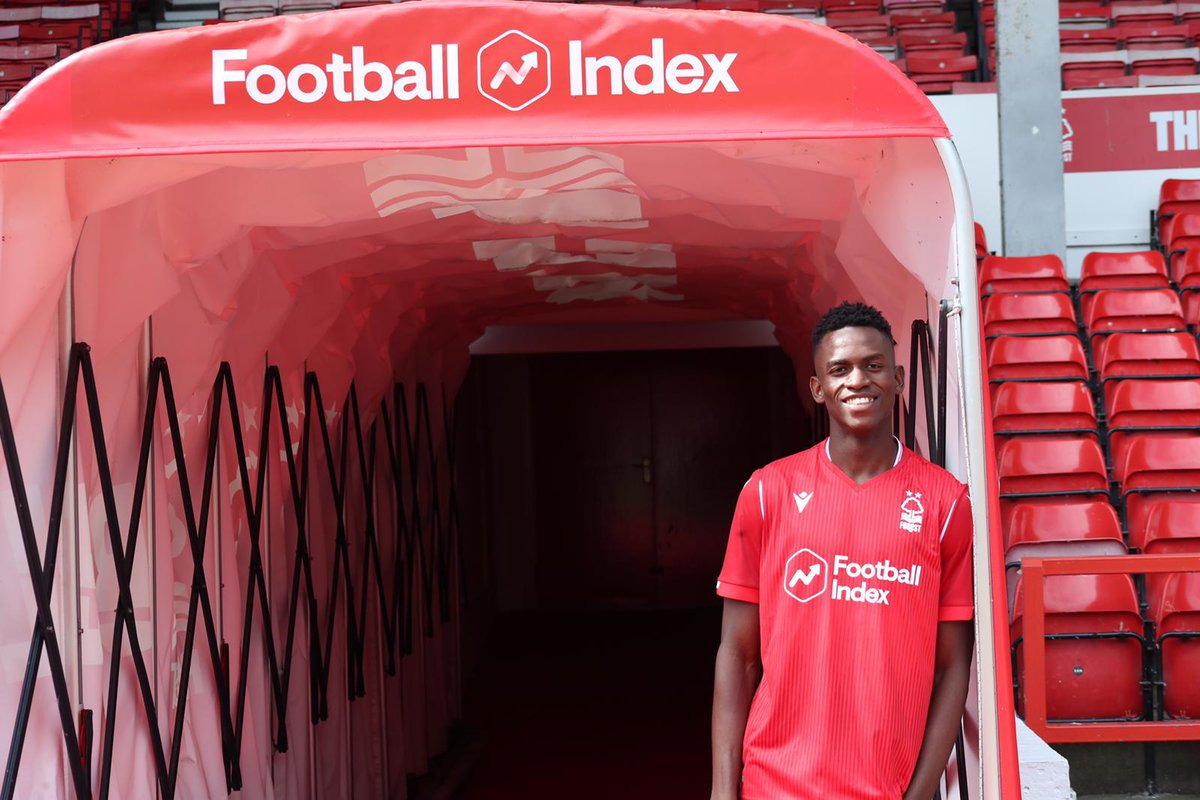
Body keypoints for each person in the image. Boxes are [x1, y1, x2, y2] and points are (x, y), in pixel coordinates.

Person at [710, 302, 974, 800]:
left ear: (898, 378)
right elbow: (737, 654)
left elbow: (953, 665)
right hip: (774, 784)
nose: (858, 380)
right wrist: (723, 792)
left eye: (873, 365)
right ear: (817, 388)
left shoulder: (945, 503)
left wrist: (919, 794)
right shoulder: (767, 492)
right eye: (840, 369)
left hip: (886, 787)